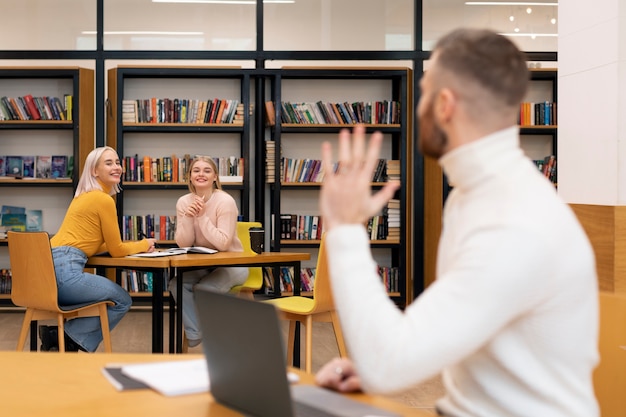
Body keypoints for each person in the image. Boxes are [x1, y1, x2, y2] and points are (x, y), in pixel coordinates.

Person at [314, 28, 600, 417]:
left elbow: (388, 366)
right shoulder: (475, 195)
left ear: (444, 104)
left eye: (426, 92)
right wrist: (381, 361)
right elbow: (456, 329)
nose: (418, 107)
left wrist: (345, 229)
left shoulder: (513, 223)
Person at [39, 146, 157, 352]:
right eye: (109, 163)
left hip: (46, 273)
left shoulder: (84, 197)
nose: (117, 167)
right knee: (122, 300)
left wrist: (125, 246)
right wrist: (144, 244)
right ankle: (66, 337)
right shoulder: (103, 199)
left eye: (118, 162)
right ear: (94, 171)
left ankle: (60, 337)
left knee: (115, 298)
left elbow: (95, 243)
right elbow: (117, 250)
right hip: (64, 274)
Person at [168, 156, 247, 348]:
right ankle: (196, 335)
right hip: (203, 265)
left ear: (215, 177)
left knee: (205, 289)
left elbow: (223, 244)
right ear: (190, 177)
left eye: (206, 170)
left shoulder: (225, 201)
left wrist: (202, 217)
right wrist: (188, 216)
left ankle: (215, 339)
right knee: (175, 285)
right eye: (196, 170)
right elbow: (183, 243)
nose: (200, 174)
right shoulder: (183, 201)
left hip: (233, 264)